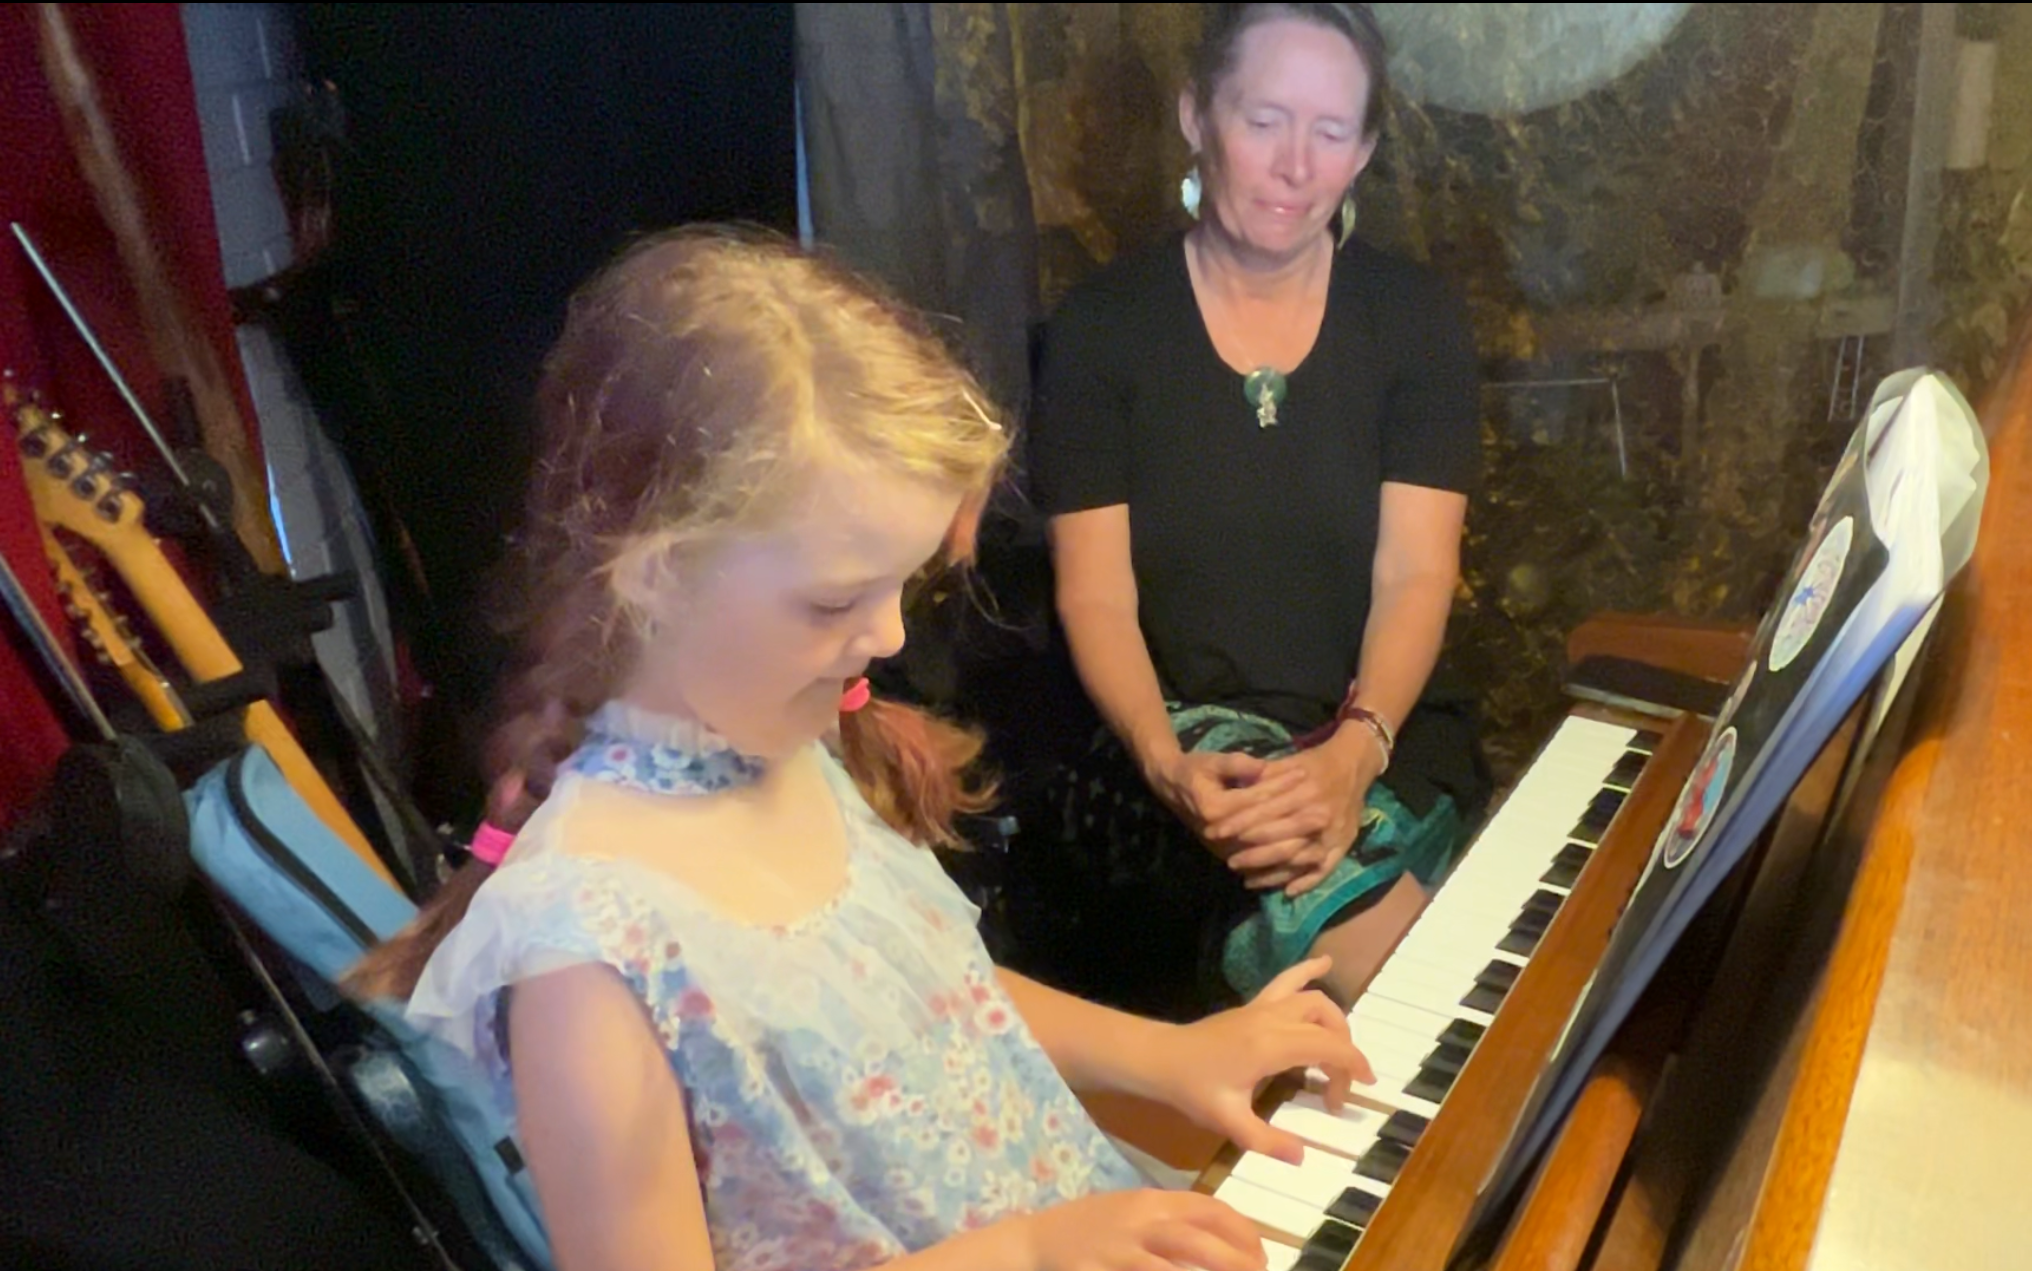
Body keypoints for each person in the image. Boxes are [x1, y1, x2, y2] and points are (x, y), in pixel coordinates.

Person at [343, 224, 1371, 1271]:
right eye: (837, 598)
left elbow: (928, 1006)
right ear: (651, 570)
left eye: (901, 585)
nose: (887, 635)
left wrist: (1173, 1052)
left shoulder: (785, 747)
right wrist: (1019, 1254)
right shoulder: (581, 952)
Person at [1025, 2, 1489, 1017]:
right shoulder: (1101, 329)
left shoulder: (1415, 321)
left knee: (1456, 983)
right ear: (1198, 116)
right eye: (1264, 118)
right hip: (1179, 746)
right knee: (1423, 1002)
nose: (1294, 165)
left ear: (1362, 151)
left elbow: (1415, 572)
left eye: (1331, 132)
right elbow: (1095, 595)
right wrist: (1164, 758)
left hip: (1382, 728)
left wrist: (1354, 749)